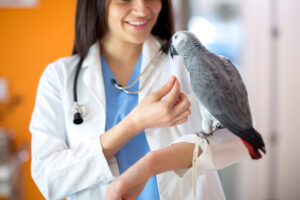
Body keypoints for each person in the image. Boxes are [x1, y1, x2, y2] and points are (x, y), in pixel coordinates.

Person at [29, 0, 250, 199]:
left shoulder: (187, 64)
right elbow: (48, 178)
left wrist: (151, 164)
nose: (142, 8)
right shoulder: (59, 77)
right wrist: (134, 124)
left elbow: (241, 138)